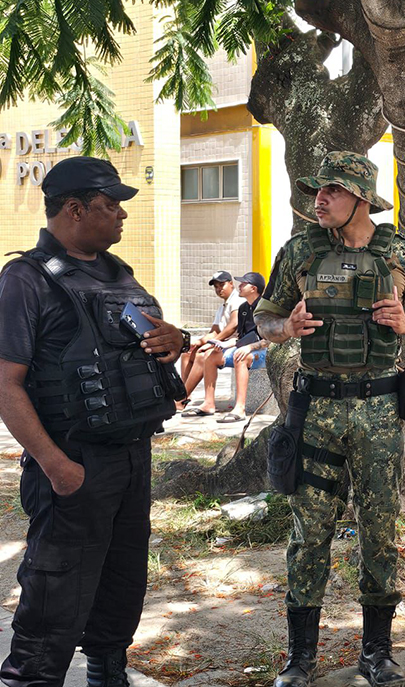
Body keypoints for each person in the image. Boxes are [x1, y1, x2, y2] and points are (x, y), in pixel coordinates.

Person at [253, 151, 405, 687]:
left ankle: (378, 654)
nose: (319, 199)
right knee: (309, 531)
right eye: (317, 190)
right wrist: (285, 328)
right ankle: (300, 659)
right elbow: (264, 316)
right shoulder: (299, 250)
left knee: (379, 530)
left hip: (379, 413)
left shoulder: (403, 252)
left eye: (332, 190)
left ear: (361, 198)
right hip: (316, 410)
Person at [0, 156, 189, 687]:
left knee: (122, 581)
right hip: (73, 461)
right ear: (75, 209)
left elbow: (145, 347)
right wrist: (56, 467)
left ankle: (109, 672)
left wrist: (175, 340)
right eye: (111, 205)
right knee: (55, 590)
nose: (122, 215)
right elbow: (5, 384)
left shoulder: (119, 274)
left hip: (131, 457)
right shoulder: (26, 279)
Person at [185, 272, 267, 422]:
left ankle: (240, 409)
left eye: (243, 284)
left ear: (253, 288)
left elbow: (270, 340)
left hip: (263, 350)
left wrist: (250, 347)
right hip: (245, 348)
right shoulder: (243, 308)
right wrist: (222, 344)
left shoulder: (265, 309)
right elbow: (240, 338)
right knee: (210, 356)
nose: (239, 286)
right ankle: (208, 404)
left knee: (240, 356)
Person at [177, 271, 241, 406]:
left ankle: (182, 400)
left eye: (222, 285)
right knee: (187, 353)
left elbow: (233, 325)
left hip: (235, 343)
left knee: (202, 356)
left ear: (231, 284)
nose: (219, 289)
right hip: (222, 343)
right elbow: (214, 331)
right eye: (216, 286)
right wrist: (198, 342)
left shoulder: (237, 300)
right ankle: (184, 394)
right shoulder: (223, 306)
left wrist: (213, 342)